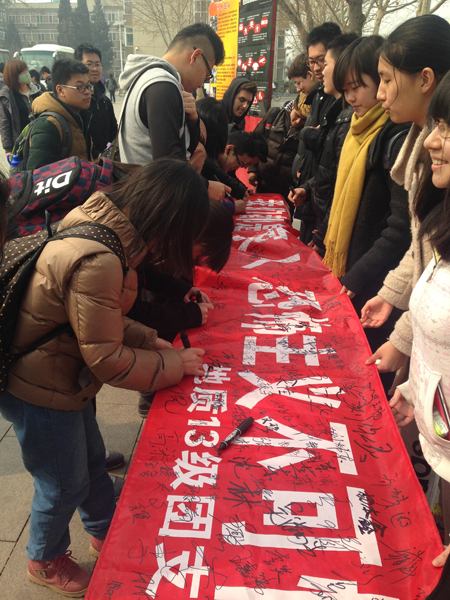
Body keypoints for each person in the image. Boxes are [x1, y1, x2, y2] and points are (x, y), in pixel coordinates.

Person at [0, 158, 208, 596]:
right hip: (40, 387)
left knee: (92, 459)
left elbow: (95, 316)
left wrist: (150, 339)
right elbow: (109, 359)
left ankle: (102, 528)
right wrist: (174, 364)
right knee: (62, 482)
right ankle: (44, 559)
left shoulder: (100, 222)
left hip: (60, 372)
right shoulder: (102, 257)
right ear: (168, 221)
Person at [359, 15, 450, 377]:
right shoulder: (419, 142)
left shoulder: (436, 160)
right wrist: (392, 294)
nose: (379, 94)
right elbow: (424, 243)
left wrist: (403, 339)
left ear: (425, 80)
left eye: (385, 80)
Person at [322, 34, 411, 393]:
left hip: (378, 283)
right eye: (346, 89)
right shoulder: (357, 130)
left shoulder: (398, 138)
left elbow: (401, 229)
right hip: (358, 274)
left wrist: (357, 277)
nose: (350, 98)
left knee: (367, 382)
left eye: (359, 87)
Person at [389, 71, 450, 568]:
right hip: (441, 454)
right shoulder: (442, 221)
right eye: (437, 125)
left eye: (448, 129)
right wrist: (416, 390)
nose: (432, 140)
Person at [288, 22, 342, 243]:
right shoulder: (319, 95)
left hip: (326, 211)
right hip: (312, 196)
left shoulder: (339, 100)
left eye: (322, 60)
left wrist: (307, 134)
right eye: (312, 62)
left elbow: (329, 153)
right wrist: (306, 187)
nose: (318, 68)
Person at [27, 59, 94, 170]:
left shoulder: (79, 115)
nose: (87, 92)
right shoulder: (47, 125)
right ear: (60, 90)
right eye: (80, 87)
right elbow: (38, 175)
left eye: (88, 86)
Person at [74, 44, 118, 158]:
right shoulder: (76, 102)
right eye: (89, 64)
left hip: (105, 162)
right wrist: (94, 154)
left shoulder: (105, 102)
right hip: (84, 163)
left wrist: (107, 150)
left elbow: (114, 133)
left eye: (97, 64)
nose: (94, 69)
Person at [0, 59, 42, 158]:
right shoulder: (7, 96)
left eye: (27, 70)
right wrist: (8, 150)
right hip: (21, 142)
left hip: (40, 137)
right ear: (13, 75)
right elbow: (5, 123)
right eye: (22, 72)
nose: (27, 74)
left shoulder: (37, 90)